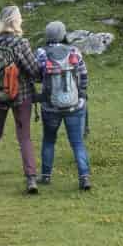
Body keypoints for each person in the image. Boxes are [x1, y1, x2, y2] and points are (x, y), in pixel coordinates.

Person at [0, 5, 40, 195]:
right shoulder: (21, 43)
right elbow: (34, 71)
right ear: (15, 20)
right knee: (24, 137)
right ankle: (31, 179)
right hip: (21, 96)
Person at [33, 20, 90, 190]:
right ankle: (84, 177)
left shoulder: (42, 53)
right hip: (75, 106)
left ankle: (45, 176)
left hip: (50, 107)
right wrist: (81, 95)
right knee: (78, 143)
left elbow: (37, 76)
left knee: (49, 140)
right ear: (63, 34)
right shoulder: (74, 51)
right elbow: (84, 75)